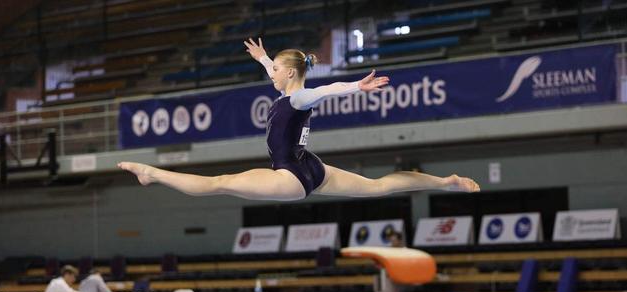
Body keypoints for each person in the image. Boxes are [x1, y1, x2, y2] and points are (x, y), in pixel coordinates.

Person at [118, 38, 480, 200]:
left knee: (220, 183)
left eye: (275, 69)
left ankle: (152, 174)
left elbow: (326, 89)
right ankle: (443, 182)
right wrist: (262, 58)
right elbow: (281, 77)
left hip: (289, 176)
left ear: (290, 74)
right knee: (378, 186)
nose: (270, 73)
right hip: (312, 167)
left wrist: (357, 86)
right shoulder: (288, 93)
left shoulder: (299, 96)